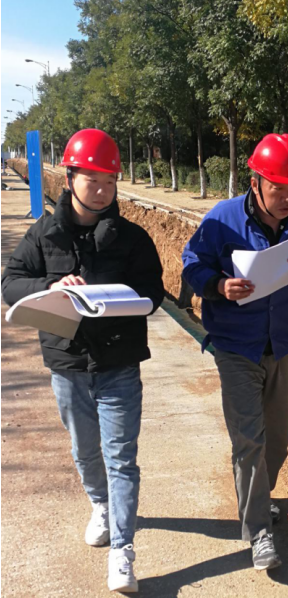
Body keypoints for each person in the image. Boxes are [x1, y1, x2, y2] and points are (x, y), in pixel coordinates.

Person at [1, 128, 164, 593]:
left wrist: (121, 300)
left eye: (110, 182)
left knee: (121, 457)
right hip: (68, 364)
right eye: (93, 181)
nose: (102, 191)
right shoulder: (43, 233)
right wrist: (50, 288)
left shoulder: (132, 238)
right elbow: (10, 284)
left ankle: (123, 551)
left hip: (119, 362)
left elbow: (154, 292)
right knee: (85, 449)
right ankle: (101, 505)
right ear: (70, 178)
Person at [182, 133, 288, 570]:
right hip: (236, 346)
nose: (287, 197)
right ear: (255, 182)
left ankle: (258, 497)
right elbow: (192, 263)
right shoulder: (223, 220)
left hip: (285, 345)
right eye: (278, 188)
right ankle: (258, 531)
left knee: (277, 439)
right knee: (249, 441)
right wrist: (219, 286)